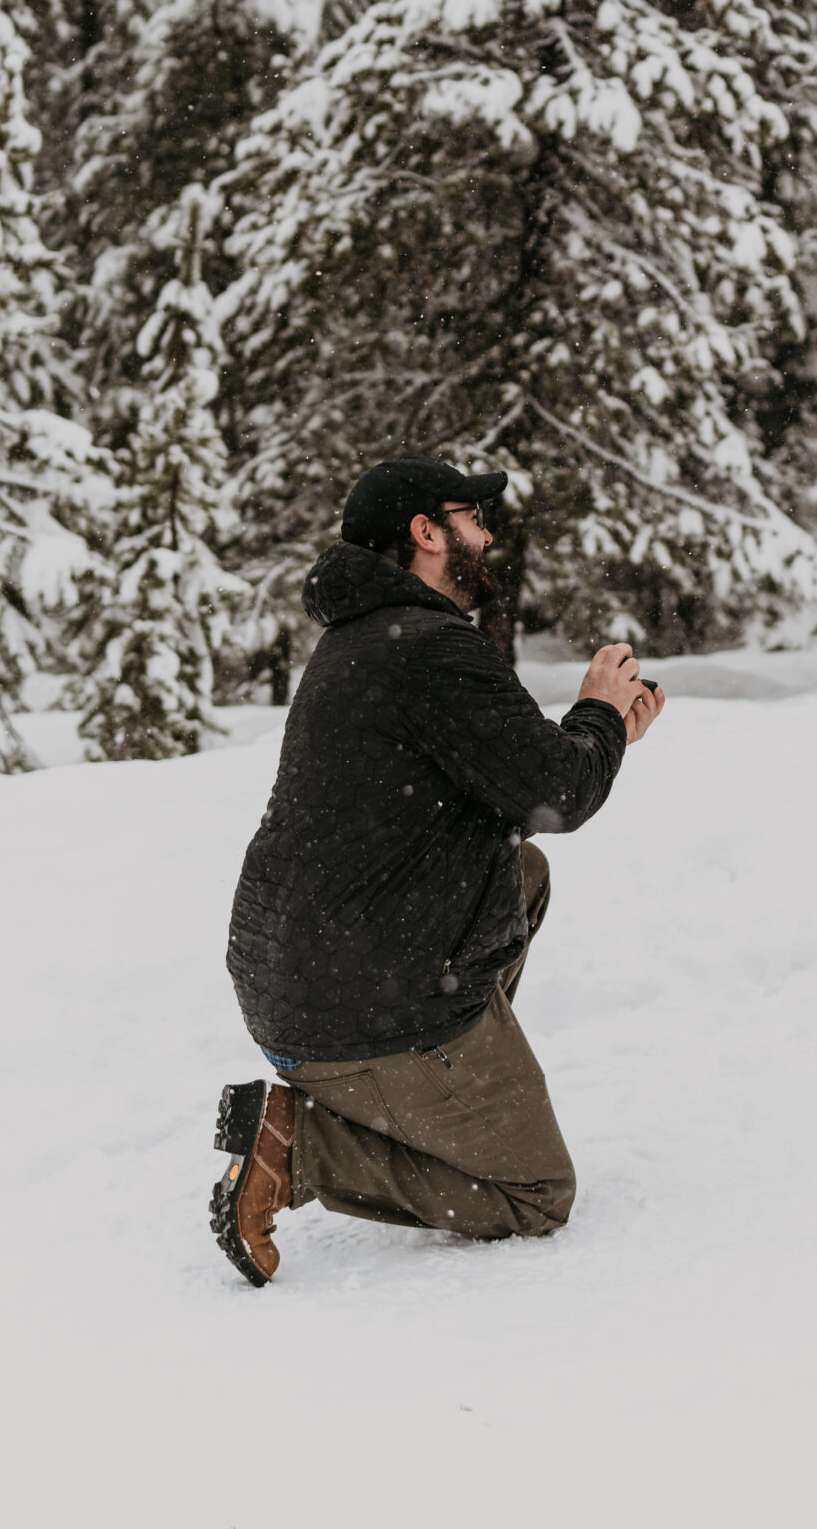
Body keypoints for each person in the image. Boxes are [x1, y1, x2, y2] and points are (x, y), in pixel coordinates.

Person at [210, 454, 663, 1285]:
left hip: (296, 981)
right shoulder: (427, 649)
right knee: (533, 1193)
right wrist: (597, 706)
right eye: (472, 518)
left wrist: (600, 738)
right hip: (360, 1002)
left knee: (520, 873)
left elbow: (523, 787)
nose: (486, 534)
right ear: (426, 533)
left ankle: (437, 1090)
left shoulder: (363, 640)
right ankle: (303, 1145)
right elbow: (558, 791)